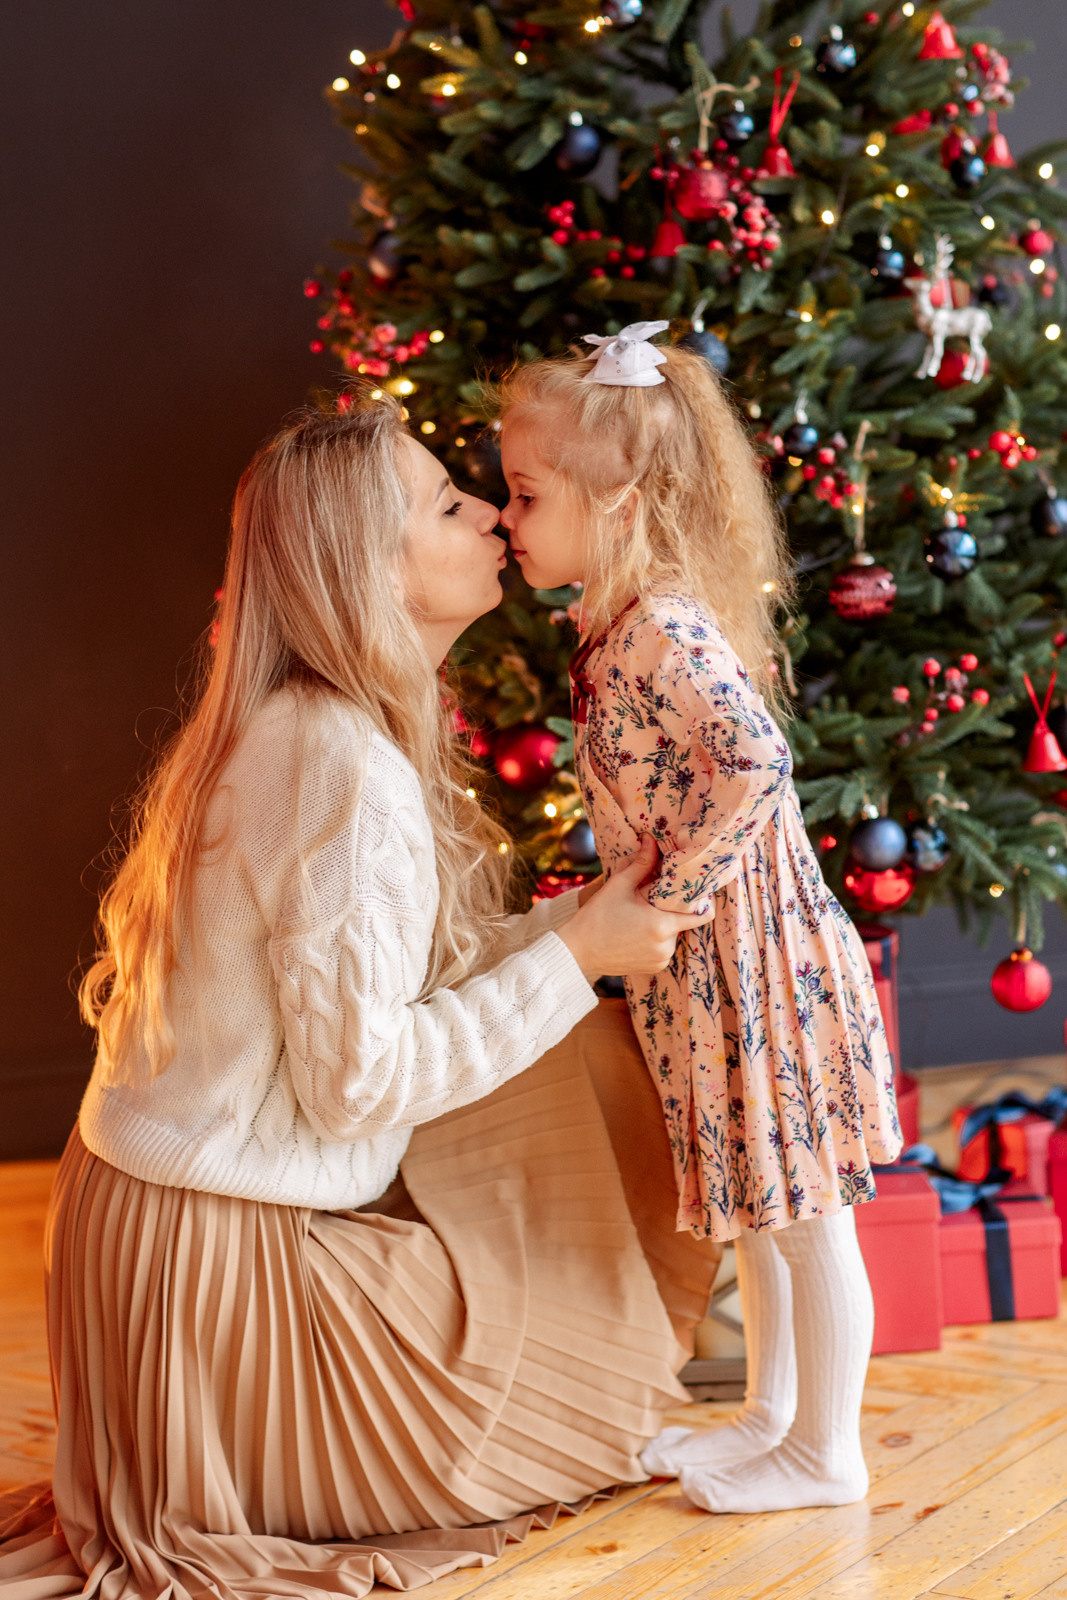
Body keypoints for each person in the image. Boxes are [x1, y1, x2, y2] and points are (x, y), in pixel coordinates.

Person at [0, 395, 722, 1599]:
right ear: (367, 565)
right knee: (581, 1415)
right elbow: (360, 1086)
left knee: (563, 1037)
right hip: (213, 1272)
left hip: (167, 1232)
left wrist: (573, 926)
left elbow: (399, 986)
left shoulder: (304, 726)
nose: (492, 512)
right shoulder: (339, 766)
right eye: (448, 503)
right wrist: (575, 953)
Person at [496, 322, 903, 1516]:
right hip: (706, 965)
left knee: (802, 1212)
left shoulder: (658, 628)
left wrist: (674, 889)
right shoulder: (618, 626)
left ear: (614, 498)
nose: (506, 516)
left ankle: (826, 1450)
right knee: (759, 1206)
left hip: (751, 957)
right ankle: (772, 1419)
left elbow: (754, 759)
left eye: (525, 493)